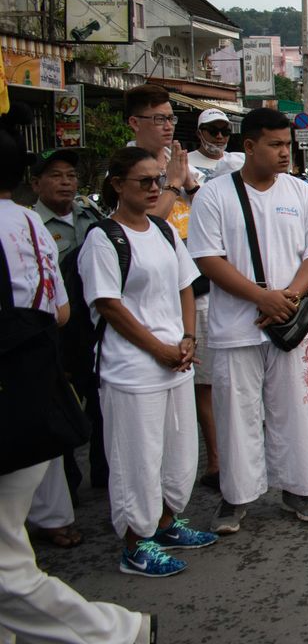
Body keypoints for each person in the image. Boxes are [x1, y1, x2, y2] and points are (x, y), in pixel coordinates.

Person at [0, 126, 157, 644]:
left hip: (14, 398)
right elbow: (63, 311)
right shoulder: (27, 222)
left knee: (6, 569)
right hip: (36, 389)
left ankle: (115, 631)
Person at [187, 107, 308, 534]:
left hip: (289, 322)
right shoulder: (215, 196)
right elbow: (207, 258)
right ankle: (236, 498)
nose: (284, 153)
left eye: (287, 144)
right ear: (249, 146)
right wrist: (260, 298)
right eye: (275, 145)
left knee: (295, 408)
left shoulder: (300, 193)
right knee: (236, 412)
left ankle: (300, 489)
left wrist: (290, 297)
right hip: (235, 327)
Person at [79, 147, 219, 577]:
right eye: (145, 181)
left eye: (158, 180)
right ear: (118, 185)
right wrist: (157, 348)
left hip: (174, 361)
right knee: (135, 458)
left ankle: (165, 523)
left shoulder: (161, 230)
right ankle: (135, 544)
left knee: (174, 452)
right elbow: (110, 305)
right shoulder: (104, 238)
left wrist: (187, 338)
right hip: (132, 369)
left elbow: (184, 286)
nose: (155, 188)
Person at [26, 148, 101, 549]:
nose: (66, 182)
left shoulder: (90, 216)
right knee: (58, 413)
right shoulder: (28, 225)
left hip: (90, 326)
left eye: (70, 174)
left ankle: (103, 479)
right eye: (55, 175)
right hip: (52, 333)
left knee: (99, 404)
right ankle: (62, 497)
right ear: (35, 184)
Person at [187, 108, 243, 494]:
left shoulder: (240, 163)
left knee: (236, 379)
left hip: (237, 277)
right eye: (213, 130)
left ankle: (244, 451)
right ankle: (216, 457)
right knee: (206, 382)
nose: (220, 136)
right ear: (200, 132)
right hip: (199, 279)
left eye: (225, 130)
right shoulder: (182, 165)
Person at [124, 84, 195, 227]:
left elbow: (209, 211)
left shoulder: (178, 162)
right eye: (159, 119)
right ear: (135, 123)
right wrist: (174, 184)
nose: (169, 126)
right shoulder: (123, 170)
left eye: (171, 118)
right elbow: (143, 225)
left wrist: (189, 183)